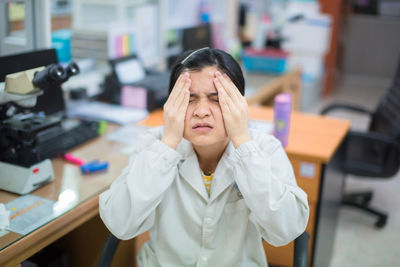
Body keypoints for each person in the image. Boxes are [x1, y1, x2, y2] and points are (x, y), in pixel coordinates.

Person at [99, 47, 309, 267]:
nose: (201, 111)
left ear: (238, 105)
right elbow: (120, 223)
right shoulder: (155, 145)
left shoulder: (264, 149)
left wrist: (243, 144)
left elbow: (286, 229)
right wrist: (169, 142)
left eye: (216, 99)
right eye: (189, 99)